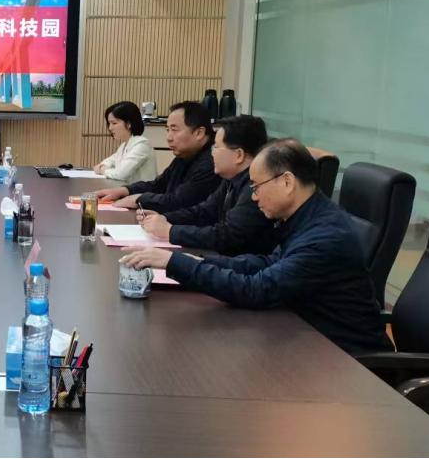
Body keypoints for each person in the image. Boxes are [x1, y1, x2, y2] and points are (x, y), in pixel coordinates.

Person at [120, 138, 392, 356]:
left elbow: (258, 289)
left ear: (287, 182)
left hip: (347, 363)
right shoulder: (307, 217)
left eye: (256, 186)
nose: (253, 196)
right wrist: (196, 261)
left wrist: (175, 264)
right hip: (308, 340)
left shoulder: (324, 237)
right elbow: (266, 264)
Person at [136, 115, 281, 256]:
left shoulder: (254, 187)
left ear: (239, 155)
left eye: (216, 147)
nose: (212, 154)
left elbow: (227, 235)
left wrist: (170, 231)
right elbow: (204, 212)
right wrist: (164, 218)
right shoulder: (231, 179)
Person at [97, 101, 219, 211]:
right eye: (168, 130)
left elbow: (179, 201)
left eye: (174, 130)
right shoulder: (185, 155)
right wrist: (125, 190)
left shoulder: (212, 162)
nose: (169, 138)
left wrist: (139, 199)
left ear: (199, 133)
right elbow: (159, 185)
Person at [91, 101, 157, 185]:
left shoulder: (142, 144)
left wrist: (103, 170)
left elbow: (120, 174)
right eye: (109, 123)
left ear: (129, 124)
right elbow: (108, 162)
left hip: (142, 192)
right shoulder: (124, 145)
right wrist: (103, 167)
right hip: (129, 190)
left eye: (114, 123)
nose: (110, 128)